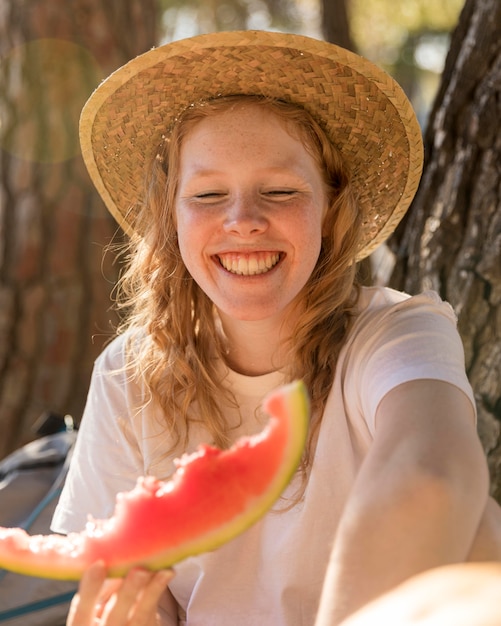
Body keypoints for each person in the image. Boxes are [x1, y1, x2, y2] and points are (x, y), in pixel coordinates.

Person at [51, 31, 500, 626]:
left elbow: (431, 479)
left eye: (281, 191)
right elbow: (135, 589)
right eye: (209, 194)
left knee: (479, 530)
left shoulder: (397, 333)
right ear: (170, 217)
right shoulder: (127, 373)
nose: (243, 221)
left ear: (331, 209)